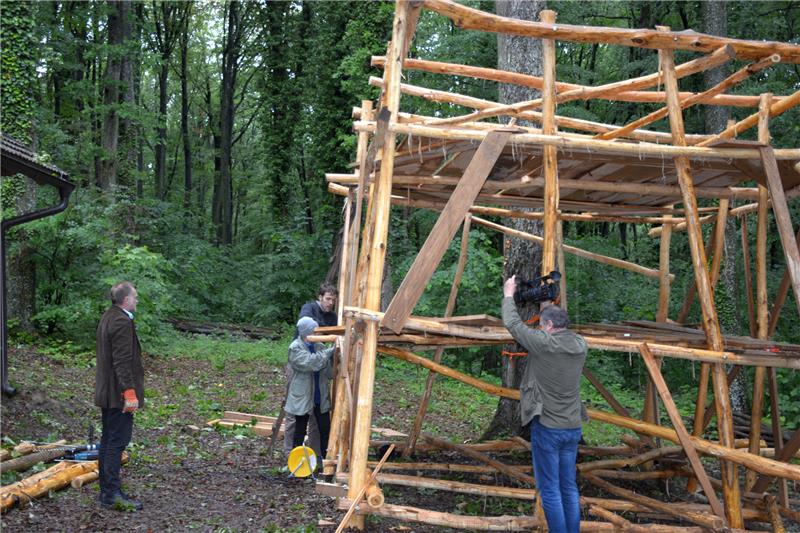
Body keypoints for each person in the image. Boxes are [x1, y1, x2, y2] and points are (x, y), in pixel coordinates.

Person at [502, 275, 586, 533]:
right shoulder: (581, 345)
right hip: (572, 428)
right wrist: (545, 300)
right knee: (568, 487)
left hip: (548, 427)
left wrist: (508, 295)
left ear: (548, 325)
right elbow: (551, 330)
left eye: (543, 324)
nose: (541, 328)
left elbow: (513, 324)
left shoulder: (544, 344)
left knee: (549, 489)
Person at [95, 281, 144, 511]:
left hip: (109, 391)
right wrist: (130, 392)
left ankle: (107, 491)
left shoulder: (109, 316)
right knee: (117, 442)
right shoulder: (122, 321)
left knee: (108, 440)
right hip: (118, 394)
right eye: (134, 297)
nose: (136, 300)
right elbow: (122, 361)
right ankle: (111, 494)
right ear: (125, 300)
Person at [283, 283, 338, 458]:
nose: (331, 303)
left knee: (320, 423)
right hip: (301, 373)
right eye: (328, 298)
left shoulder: (321, 342)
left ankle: (317, 457)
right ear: (320, 297)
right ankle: (291, 456)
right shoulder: (309, 308)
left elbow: (328, 371)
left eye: (333, 300)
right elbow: (310, 361)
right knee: (296, 417)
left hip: (318, 383)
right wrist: (330, 342)